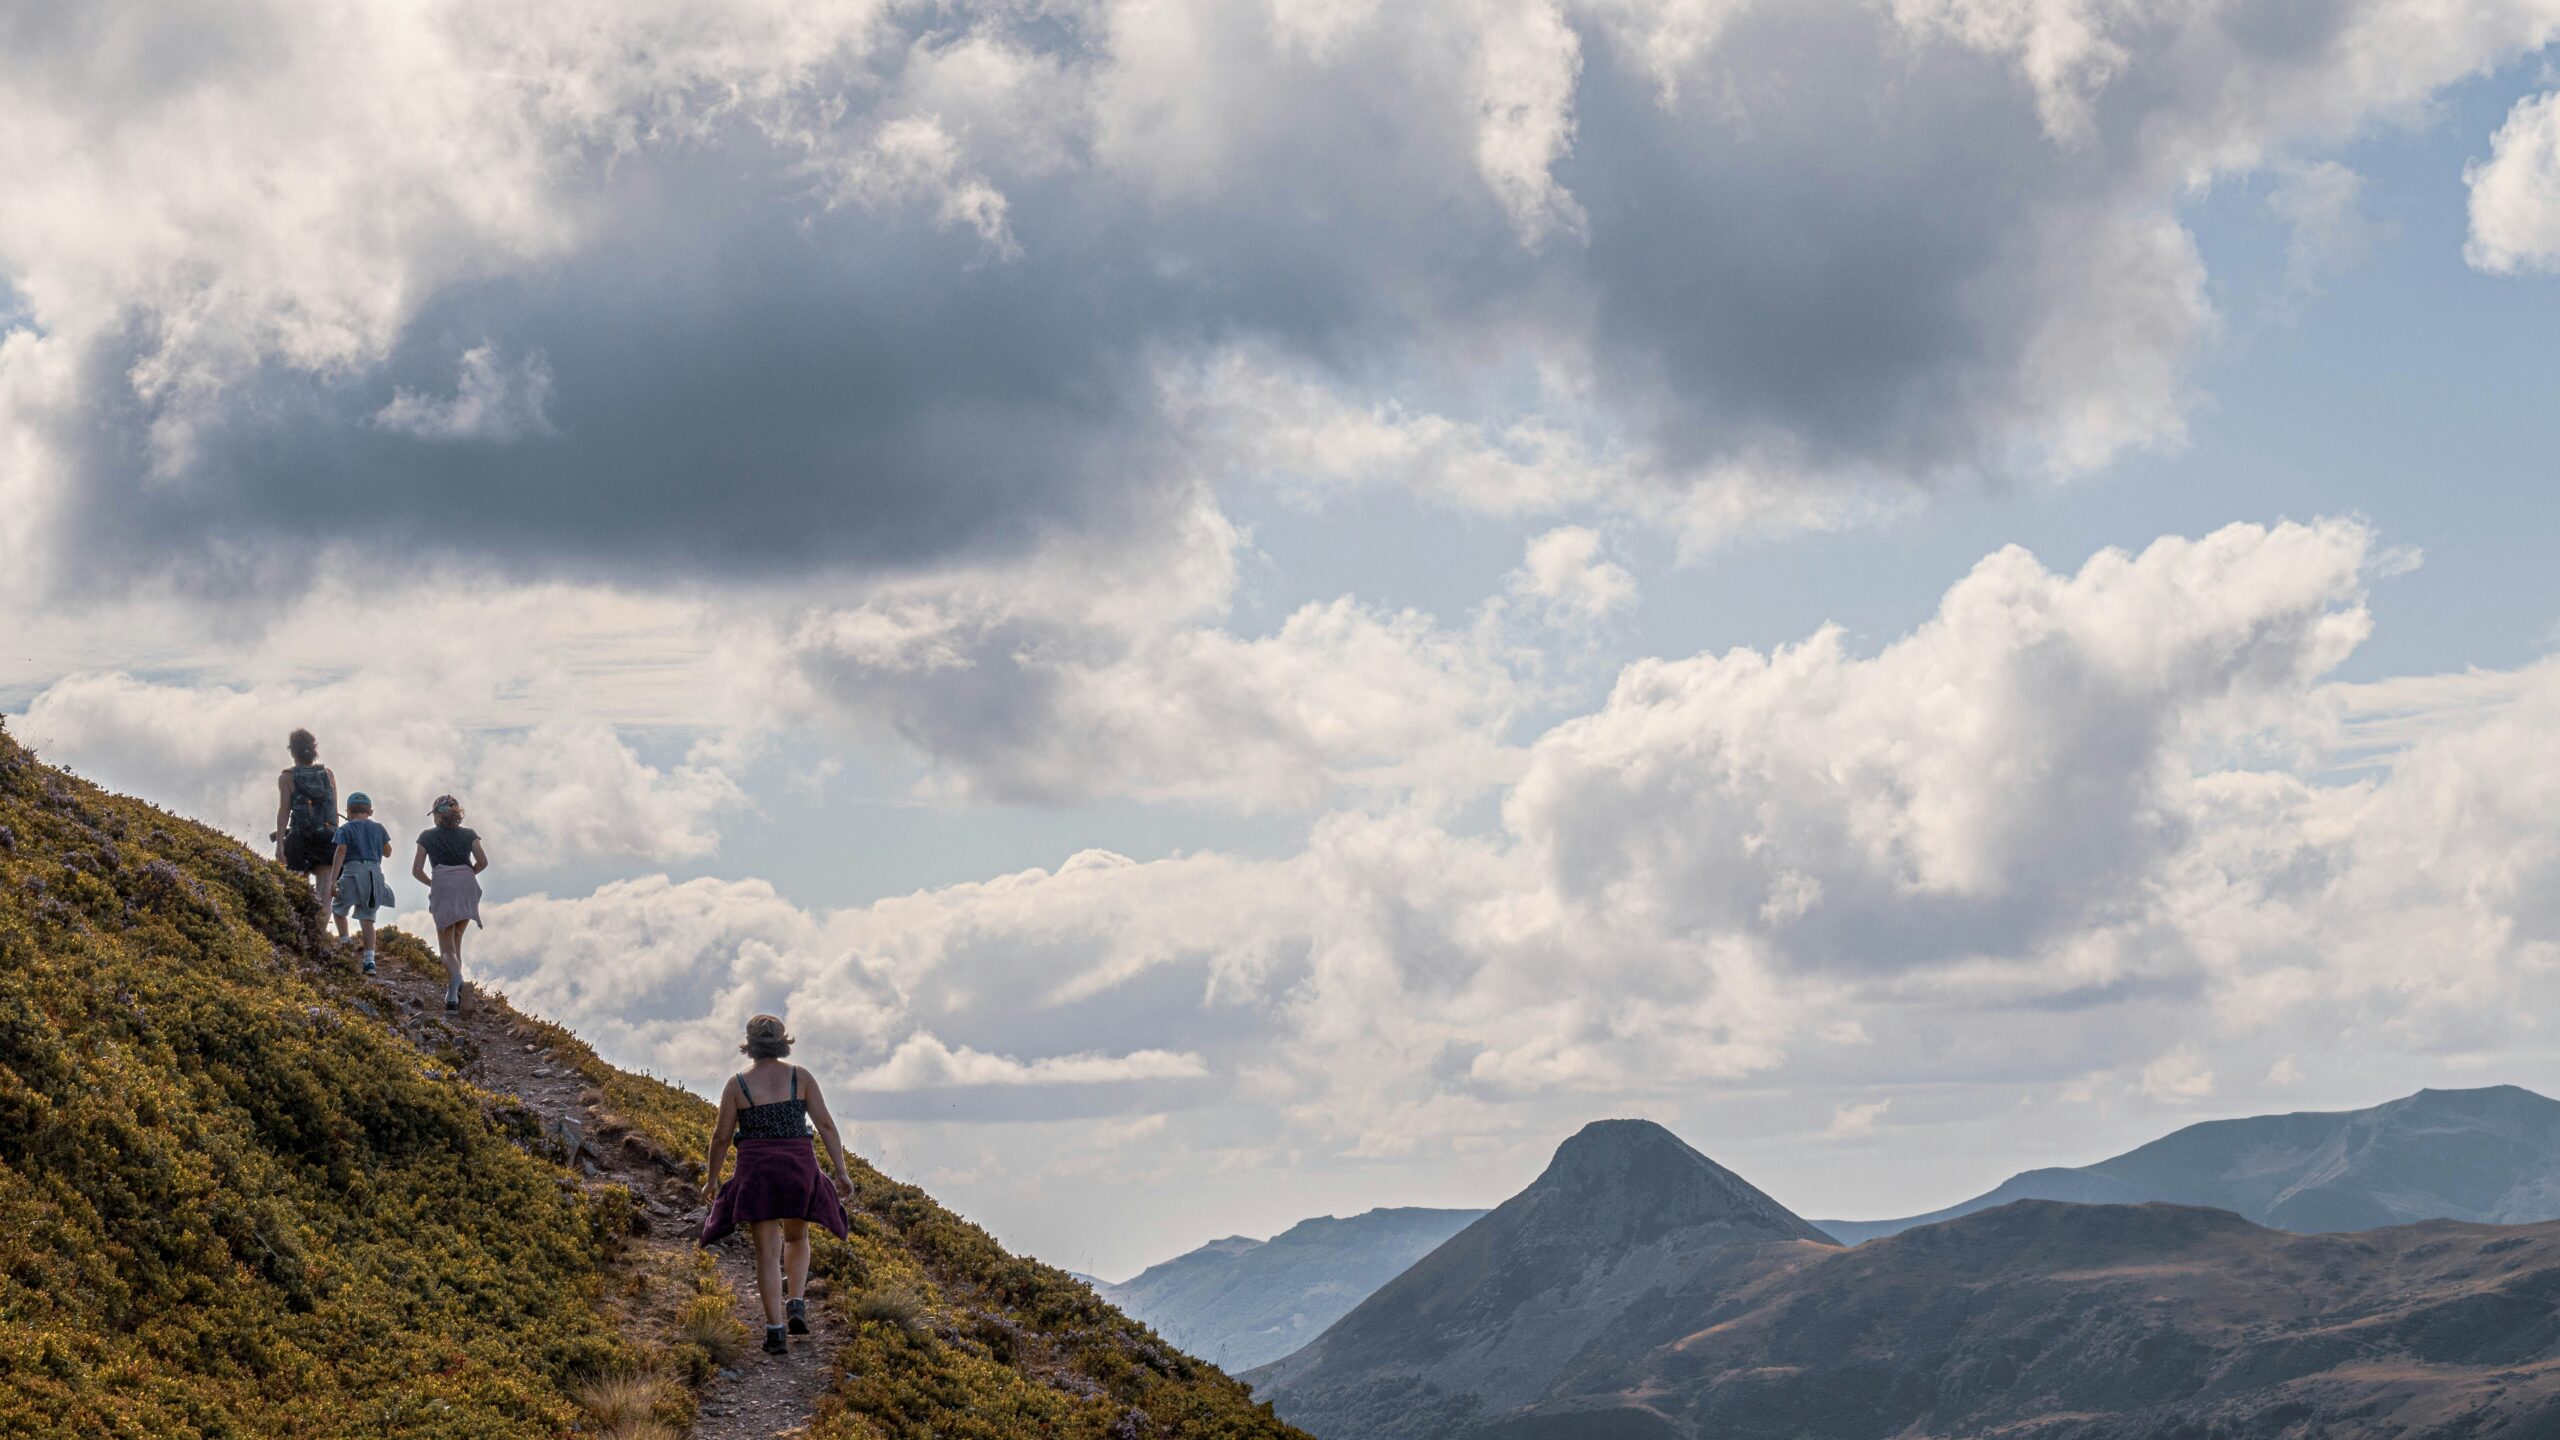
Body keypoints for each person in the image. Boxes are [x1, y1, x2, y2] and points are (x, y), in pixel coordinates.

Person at [701, 1016, 854, 1355]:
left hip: (757, 1173)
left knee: (767, 1254)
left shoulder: (737, 1085)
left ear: (749, 1043)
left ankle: (775, 1332)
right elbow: (826, 1125)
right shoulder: (800, 1078)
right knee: (798, 1237)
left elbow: (721, 1137)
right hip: (798, 1167)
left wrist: (712, 1180)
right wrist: (841, 1172)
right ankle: (796, 1302)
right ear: (784, 1040)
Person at [411, 795, 486, 1014]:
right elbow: (483, 862)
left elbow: (416, 870)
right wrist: (468, 874)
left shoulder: (426, 836)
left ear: (436, 814)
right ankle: (452, 999)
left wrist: (434, 884)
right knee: (456, 940)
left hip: (443, 882)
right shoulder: (470, 834)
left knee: (446, 949)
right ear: (457, 813)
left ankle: (458, 982)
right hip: (467, 884)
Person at [325, 793, 395, 975]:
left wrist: (333, 880)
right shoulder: (379, 828)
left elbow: (340, 852)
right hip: (374, 874)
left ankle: (345, 942)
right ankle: (369, 960)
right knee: (368, 918)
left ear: (348, 811)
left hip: (352, 872)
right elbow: (388, 852)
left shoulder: (345, 829)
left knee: (339, 908)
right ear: (370, 811)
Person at [270, 730, 338, 906]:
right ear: (314, 749)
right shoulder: (328, 775)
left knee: (296, 889)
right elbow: (334, 809)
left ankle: (303, 929)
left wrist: (280, 844)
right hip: (328, 838)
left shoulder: (286, 777)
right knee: (325, 893)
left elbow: (284, 811)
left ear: (292, 751)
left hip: (299, 838)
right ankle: (320, 933)